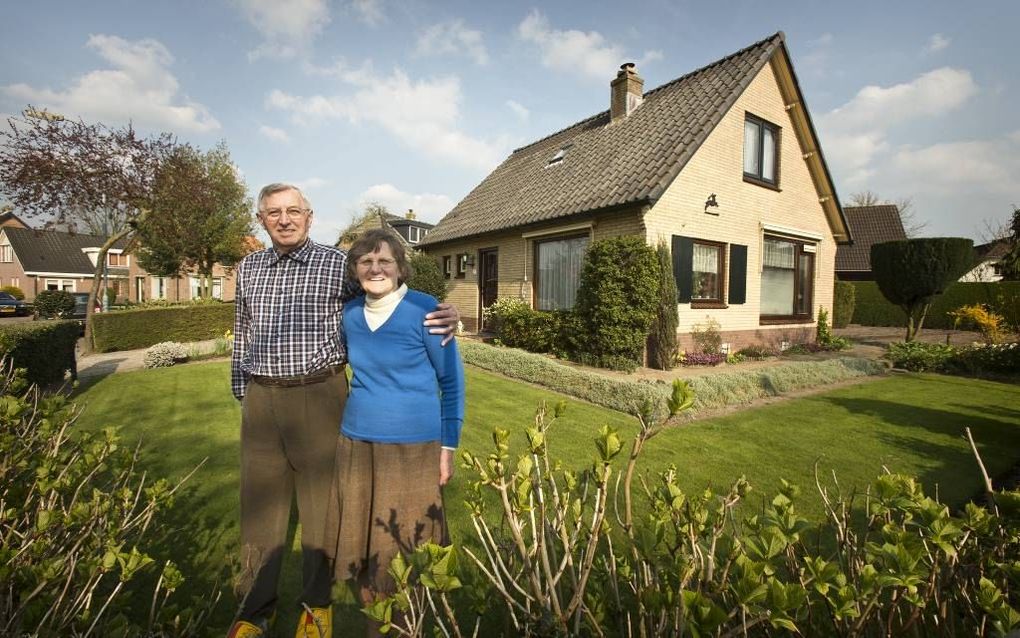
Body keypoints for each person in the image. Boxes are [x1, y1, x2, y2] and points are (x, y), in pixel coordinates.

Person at [228, 185, 459, 638]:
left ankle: (317, 608)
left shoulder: (338, 266)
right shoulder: (249, 267)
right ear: (261, 220)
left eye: (294, 210)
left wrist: (443, 310)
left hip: (319, 394)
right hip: (261, 399)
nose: (285, 219)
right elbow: (243, 329)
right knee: (259, 507)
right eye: (274, 212)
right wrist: (244, 389)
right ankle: (254, 612)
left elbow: (390, 289)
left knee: (320, 510)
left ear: (310, 217)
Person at [327, 229, 464, 636]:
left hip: (412, 449)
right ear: (355, 269)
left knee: (406, 548)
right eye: (366, 261)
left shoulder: (426, 310)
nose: (376, 268)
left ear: (400, 267)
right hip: (357, 444)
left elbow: (452, 384)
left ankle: (407, 626)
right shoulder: (349, 313)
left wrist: (448, 447)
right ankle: (376, 624)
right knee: (368, 545)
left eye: (384, 260)